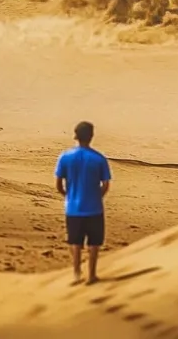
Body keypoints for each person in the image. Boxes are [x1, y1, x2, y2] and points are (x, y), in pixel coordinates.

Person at [55, 120, 111, 285]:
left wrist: (68, 195)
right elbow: (106, 184)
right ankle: (91, 275)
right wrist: (97, 196)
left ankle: (77, 273)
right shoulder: (99, 158)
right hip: (94, 208)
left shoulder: (65, 157)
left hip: (73, 208)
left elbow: (58, 183)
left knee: (75, 242)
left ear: (75, 136)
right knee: (94, 243)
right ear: (91, 136)